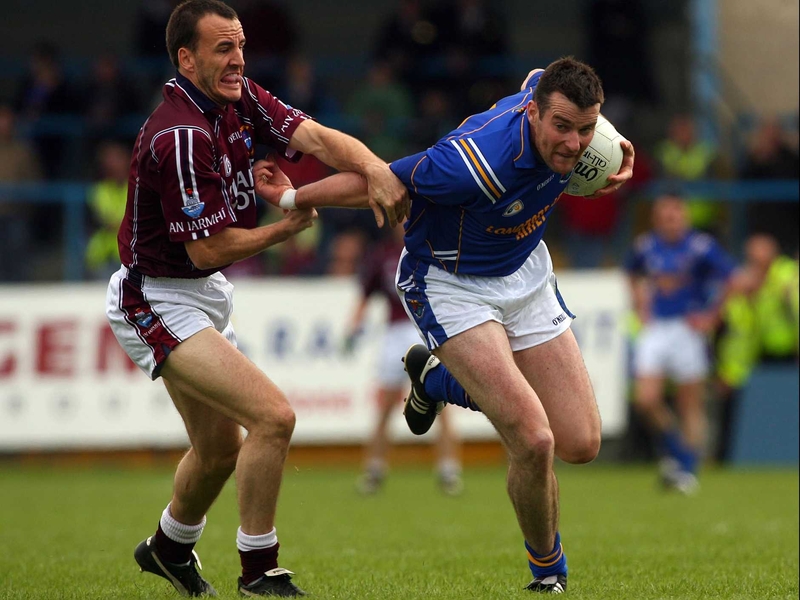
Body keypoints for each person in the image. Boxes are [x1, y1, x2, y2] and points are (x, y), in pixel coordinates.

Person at [255, 57, 635, 593]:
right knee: (532, 438)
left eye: (586, 129)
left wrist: (618, 151)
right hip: (452, 284)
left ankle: (435, 379)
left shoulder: (558, 106)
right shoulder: (470, 163)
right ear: (532, 114)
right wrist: (294, 197)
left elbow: (546, 75)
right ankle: (548, 573)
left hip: (523, 271)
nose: (575, 144)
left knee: (580, 443)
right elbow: (380, 181)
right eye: (563, 128)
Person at [104, 1, 408, 597]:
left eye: (241, 45)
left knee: (219, 450)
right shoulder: (183, 135)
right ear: (186, 58)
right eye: (223, 48)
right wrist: (287, 227)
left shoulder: (235, 98)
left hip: (199, 292)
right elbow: (207, 251)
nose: (238, 58)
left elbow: (314, 136)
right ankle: (259, 572)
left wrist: (376, 169)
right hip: (157, 296)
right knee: (274, 416)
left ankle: (167, 547)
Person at [624, 194, 736, 494]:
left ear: (684, 215)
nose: (669, 219)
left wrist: (712, 315)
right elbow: (632, 274)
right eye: (664, 214)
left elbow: (730, 277)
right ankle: (679, 455)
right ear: (656, 218)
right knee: (646, 399)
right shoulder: (646, 246)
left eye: (674, 213)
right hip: (657, 327)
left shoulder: (701, 246)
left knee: (690, 404)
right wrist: (639, 303)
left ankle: (687, 472)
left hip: (688, 330)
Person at [348, 224, 463, 496]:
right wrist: (353, 326)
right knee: (386, 404)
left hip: (425, 328)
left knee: (439, 402)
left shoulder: (430, 249)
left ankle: (449, 469)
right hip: (394, 332)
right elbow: (366, 294)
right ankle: (374, 469)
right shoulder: (382, 254)